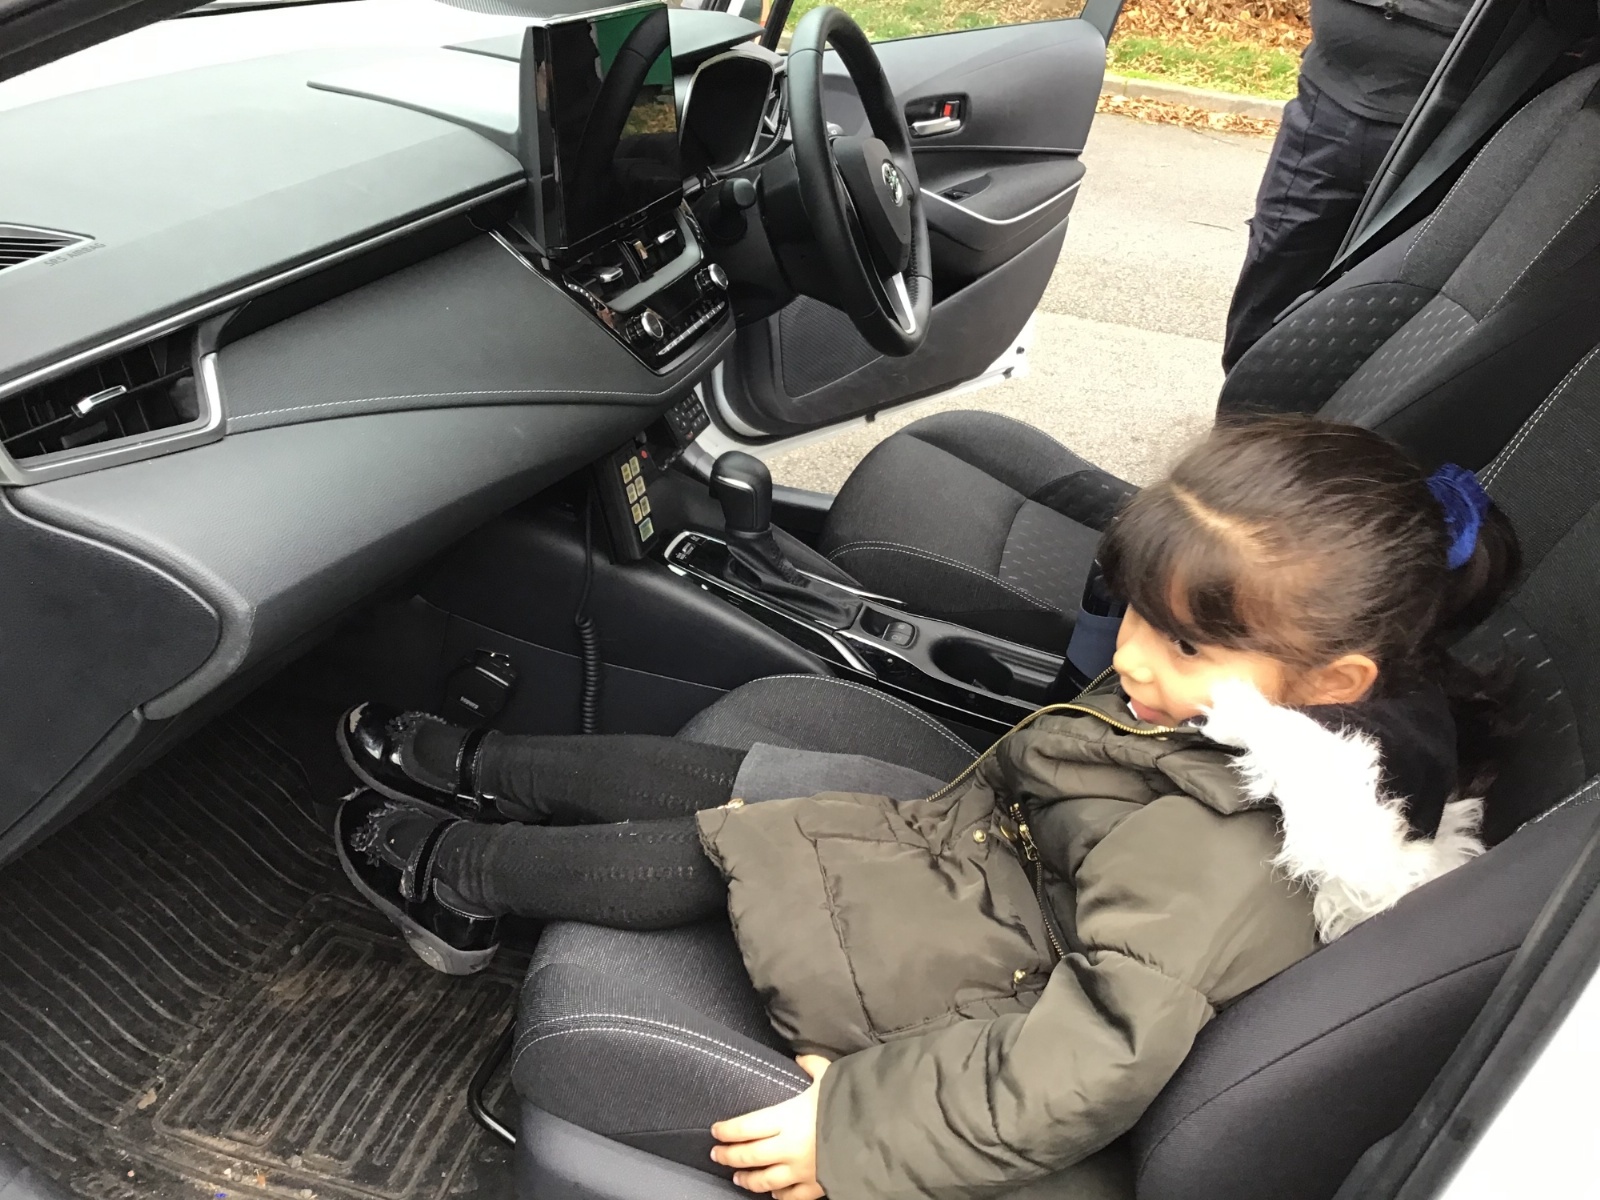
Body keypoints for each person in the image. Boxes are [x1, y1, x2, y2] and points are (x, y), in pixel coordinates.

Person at [334, 417, 1519, 1200]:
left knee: (715, 848)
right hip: (990, 878)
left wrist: (856, 1131)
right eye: (1138, 615)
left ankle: (456, 875)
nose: (1131, 658)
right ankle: (481, 767)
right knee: (737, 777)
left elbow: (1089, 1062)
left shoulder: (1222, 853)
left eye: (1184, 645)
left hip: (968, 986)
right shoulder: (1258, 722)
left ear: (1335, 681)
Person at [1222, 0, 1473, 371]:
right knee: (1274, 272)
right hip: (1325, 102)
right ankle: (1246, 401)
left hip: (1454, 128)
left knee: (1393, 300)